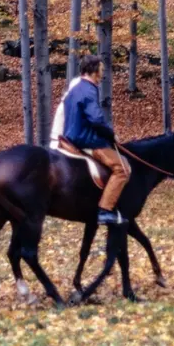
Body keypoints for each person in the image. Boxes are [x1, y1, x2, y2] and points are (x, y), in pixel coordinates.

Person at [60, 55, 128, 226]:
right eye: (101, 70)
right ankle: (105, 211)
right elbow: (96, 120)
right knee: (122, 168)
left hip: (70, 137)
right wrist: (111, 135)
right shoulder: (89, 89)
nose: (102, 74)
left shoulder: (74, 89)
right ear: (93, 70)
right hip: (86, 140)